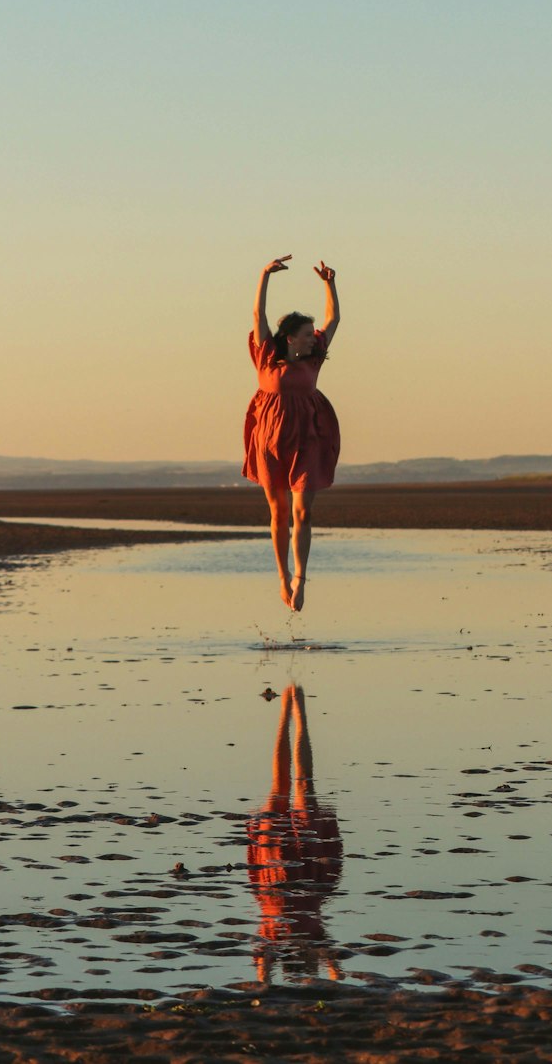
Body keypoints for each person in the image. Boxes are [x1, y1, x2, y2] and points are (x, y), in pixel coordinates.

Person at [243, 255, 340, 612]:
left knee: (302, 512)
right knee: (278, 510)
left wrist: (330, 284)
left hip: (308, 438)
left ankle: (301, 578)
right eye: (306, 335)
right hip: (270, 438)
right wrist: (264, 274)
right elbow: (258, 317)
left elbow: (334, 320)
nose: (313, 340)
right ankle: (282, 576)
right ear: (290, 338)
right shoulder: (267, 355)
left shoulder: (313, 359)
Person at [246, 683, 343, 983]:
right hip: (308, 867)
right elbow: (337, 973)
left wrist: (268, 979)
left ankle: (287, 710)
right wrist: (323, 968)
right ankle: (295, 711)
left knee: (281, 785)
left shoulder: (271, 941)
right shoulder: (318, 939)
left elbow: (263, 975)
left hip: (273, 868)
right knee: (300, 785)